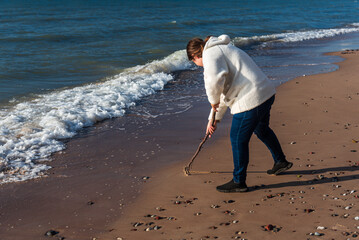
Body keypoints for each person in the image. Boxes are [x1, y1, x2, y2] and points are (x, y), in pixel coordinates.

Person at [186, 34, 292, 193]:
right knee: (261, 129)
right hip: (265, 93)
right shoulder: (223, 48)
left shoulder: (210, 54)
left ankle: (239, 181)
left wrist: (212, 100)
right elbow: (224, 92)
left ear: (195, 56)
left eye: (194, 62)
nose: (197, 65)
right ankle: (281, 162)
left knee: (237, 139)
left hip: (252, 99)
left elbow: (214, 82)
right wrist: (214, 119)